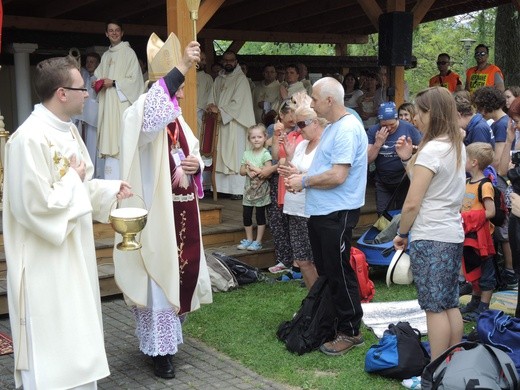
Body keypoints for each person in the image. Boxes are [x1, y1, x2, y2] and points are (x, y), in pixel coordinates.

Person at [3, 55, 133, 389]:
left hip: (74, 253)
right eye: (82, 88)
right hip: (44, 262)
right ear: (62, 93)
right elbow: (30, 207)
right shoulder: (27, 139)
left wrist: (107, 190)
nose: (88, 93)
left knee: (78, 338)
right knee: (52, 347)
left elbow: (80, 187)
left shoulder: (70, 132)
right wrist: (74, 182)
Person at [115, 36, 212, 379]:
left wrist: (196, 166)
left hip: (182, 210)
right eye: (178, 86)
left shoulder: (180, 121)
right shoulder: (139, 112)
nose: (182, 95)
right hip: (157, 214)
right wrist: (183, 64)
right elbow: (150, 119)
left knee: (179, 272)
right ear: (161, 85)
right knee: (158, 277)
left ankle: (167, 343)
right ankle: (161, 352)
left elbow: (195, 152)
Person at [285, 77, 368, 356]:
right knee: (328, 271)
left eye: (316, 98)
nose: (313, 101)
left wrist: (304, 181)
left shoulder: (346, 129)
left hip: (337, 212)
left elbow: (337, 174)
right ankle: (332, 322)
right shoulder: (333, 125)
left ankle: (350, 330)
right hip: (322, 211)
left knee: (339, 271)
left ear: (330, 101)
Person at [393, 86, 466, 363]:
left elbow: (412, 202)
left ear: (431, 113)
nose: (414, 119)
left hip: (431, 235)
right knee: (449, 302)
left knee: (433, 308)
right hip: (451, 233)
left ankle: (436, 368)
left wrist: (401, 232)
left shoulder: (433, 149)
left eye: (419, 113)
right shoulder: (454, 144)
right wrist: (406, 159)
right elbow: (425, 181)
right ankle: (453, 362)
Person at [278, 103, 323, 290]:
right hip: (294, 207)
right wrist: (288, 160)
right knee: (302, 259)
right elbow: (292, 170)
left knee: (316, 259)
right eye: (297, 124)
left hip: (312, 210)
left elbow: (325, 174)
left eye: (302, 124)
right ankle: (313, 300)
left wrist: (299, 175)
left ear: (316, 123)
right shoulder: (301, 144)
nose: (299, 128)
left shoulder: (324, 144)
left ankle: (324, 301)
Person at [95, 19, 144, 179]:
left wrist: (114, 83)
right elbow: (98, 76)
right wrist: (96, 82)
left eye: (117, 30)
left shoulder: (129, 53)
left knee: (121, 139)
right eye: (111, 30)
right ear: (106, 33)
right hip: (108, 104)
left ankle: (125, 179)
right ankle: (111, 181)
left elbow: (135, 81)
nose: (114, 33)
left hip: (121, 104)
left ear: (122, 33)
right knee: (110, 137)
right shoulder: (106, 55)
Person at [206, 50, 256, 199]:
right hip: (220, 124)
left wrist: (220, 111)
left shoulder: (241, 79)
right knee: (220, 154)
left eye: (231, 60)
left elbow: (238, 103)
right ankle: (218, 187)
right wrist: (211, 106)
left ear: (236, 62)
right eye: (226, 60)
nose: (228, 62)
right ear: (222, 61)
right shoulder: (218, 79)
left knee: (235, 155)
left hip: (235, 123)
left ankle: (237, 190)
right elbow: (211, 98)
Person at [459, 142, 496, 322]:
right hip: (468, 235)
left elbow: (491, 211)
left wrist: (470, 217)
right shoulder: (466, 182)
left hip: (483, 239)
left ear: (473, 162)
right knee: (474, 270)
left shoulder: (485, 185)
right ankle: (475, 301)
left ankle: (484, 307)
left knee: (486, 273)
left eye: (465, 158)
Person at [367, 102, 422, 214]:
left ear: (397, 119)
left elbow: (424, 149)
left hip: (403, 179)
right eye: (384, 125)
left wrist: (414, 150)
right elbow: (368, 159)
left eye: (392, 124)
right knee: (382, 215)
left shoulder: (409, 128)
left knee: (402, 213)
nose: (388, 128)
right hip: (382, 180)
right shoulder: (373, 131)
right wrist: (378, 143)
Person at [237, 124, 272, 251]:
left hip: (261, 192)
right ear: (249, 139)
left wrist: (255, 169)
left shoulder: (265, 154)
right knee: (246, 215)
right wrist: (247, 171)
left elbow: (268, 171)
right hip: (249, 192)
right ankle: (249, 239)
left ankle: (258, 241)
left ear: (264, 138)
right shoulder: (246, 154)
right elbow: (241, 171)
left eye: (259, 137)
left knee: (260, 216)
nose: (256, 139)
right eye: (253, 137)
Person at [74, 51, 104, 178]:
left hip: (94, 121)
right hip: (83, 120)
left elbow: (100, 100)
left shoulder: (100, 78)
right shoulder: (84, 77)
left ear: (98, 64)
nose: (89, 64)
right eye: (88, 62)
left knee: (93, 148)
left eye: (92, 62)